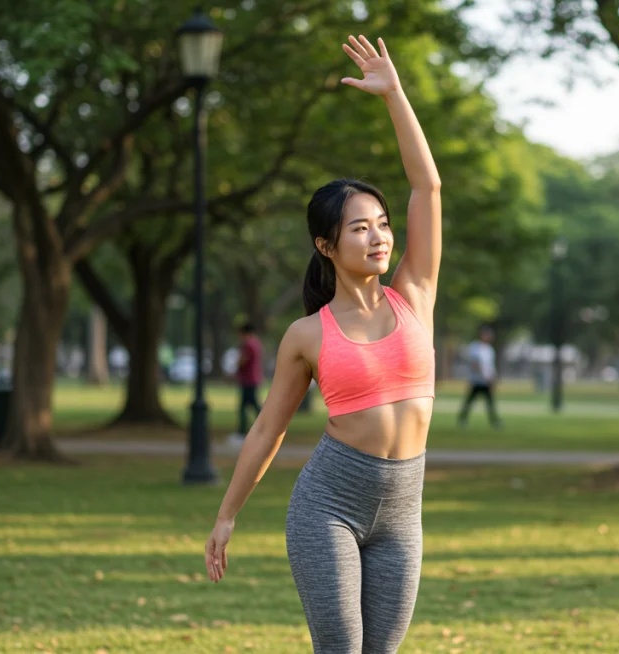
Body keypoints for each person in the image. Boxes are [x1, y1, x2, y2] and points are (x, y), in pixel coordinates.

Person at [204, 35, 441, 654]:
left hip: (402, 512)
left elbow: (429, 190)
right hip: (329, 505)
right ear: (326, 246)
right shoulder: (307, 334)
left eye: (382, 224)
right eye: (359, 228)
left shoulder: (414, 295)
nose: (378, 237)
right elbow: (267, 430)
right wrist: (227, 514)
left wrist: (395, 97)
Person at [457, 325, 502, 429]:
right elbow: (475, 363)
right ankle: (462, 419)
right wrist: (484, 375)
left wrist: (492, 378)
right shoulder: (475, 347)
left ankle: (494, 421)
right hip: (477, 380)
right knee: (470, 401)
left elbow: (490, 366)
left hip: (487, 381)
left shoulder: (490, 350)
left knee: (490, 402)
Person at [229, 322, 264, 445]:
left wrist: (234, 370)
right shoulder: (256, 343)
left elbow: (243, 360)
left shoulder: (248, 344)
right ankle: (261, 428)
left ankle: (243, 432)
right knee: (252, 405)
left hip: (248, 380)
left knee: (245, 407)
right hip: (253, 379)